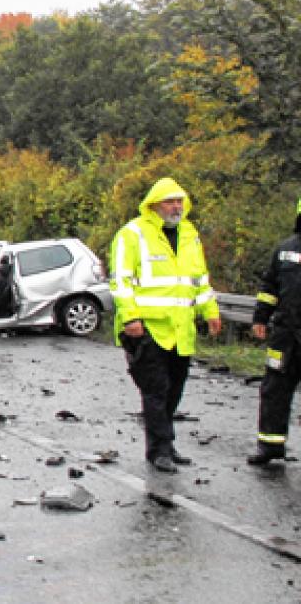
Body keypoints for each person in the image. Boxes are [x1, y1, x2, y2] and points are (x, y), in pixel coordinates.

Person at [109, 177, 221, 473]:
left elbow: (199, 278)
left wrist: (210, 310)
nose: (176, 207)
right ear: (154, 205)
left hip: (181, 329)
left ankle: (166, 445)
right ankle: (159, 449)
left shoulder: (189, 234)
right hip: (147, 329)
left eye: (180, 201)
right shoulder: (132, 234)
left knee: (174, 388)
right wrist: (131, 317)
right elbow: (121, 280)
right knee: (155, 390)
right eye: (170, 201)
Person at [247, 197, 301, 466]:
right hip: (285, 336)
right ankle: (270, 445)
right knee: (274, 389)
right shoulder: (285, 251)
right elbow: (270, 287)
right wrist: (260, 317)